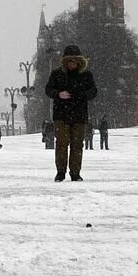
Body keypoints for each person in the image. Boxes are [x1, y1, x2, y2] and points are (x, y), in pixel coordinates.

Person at [44, 44, 97, 182]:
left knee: (77, 144)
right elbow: (48, 90)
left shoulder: (86, 75)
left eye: (74, 61)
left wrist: (79, 95)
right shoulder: (57, 74)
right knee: (61, 143)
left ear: (79, 61)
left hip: (79, 115)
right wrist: (58, 94)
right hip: (61, 115)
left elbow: (93, 92)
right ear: (65, 61)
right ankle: (60, 172)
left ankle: (75, 173)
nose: (72, 64)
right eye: (70, 61)